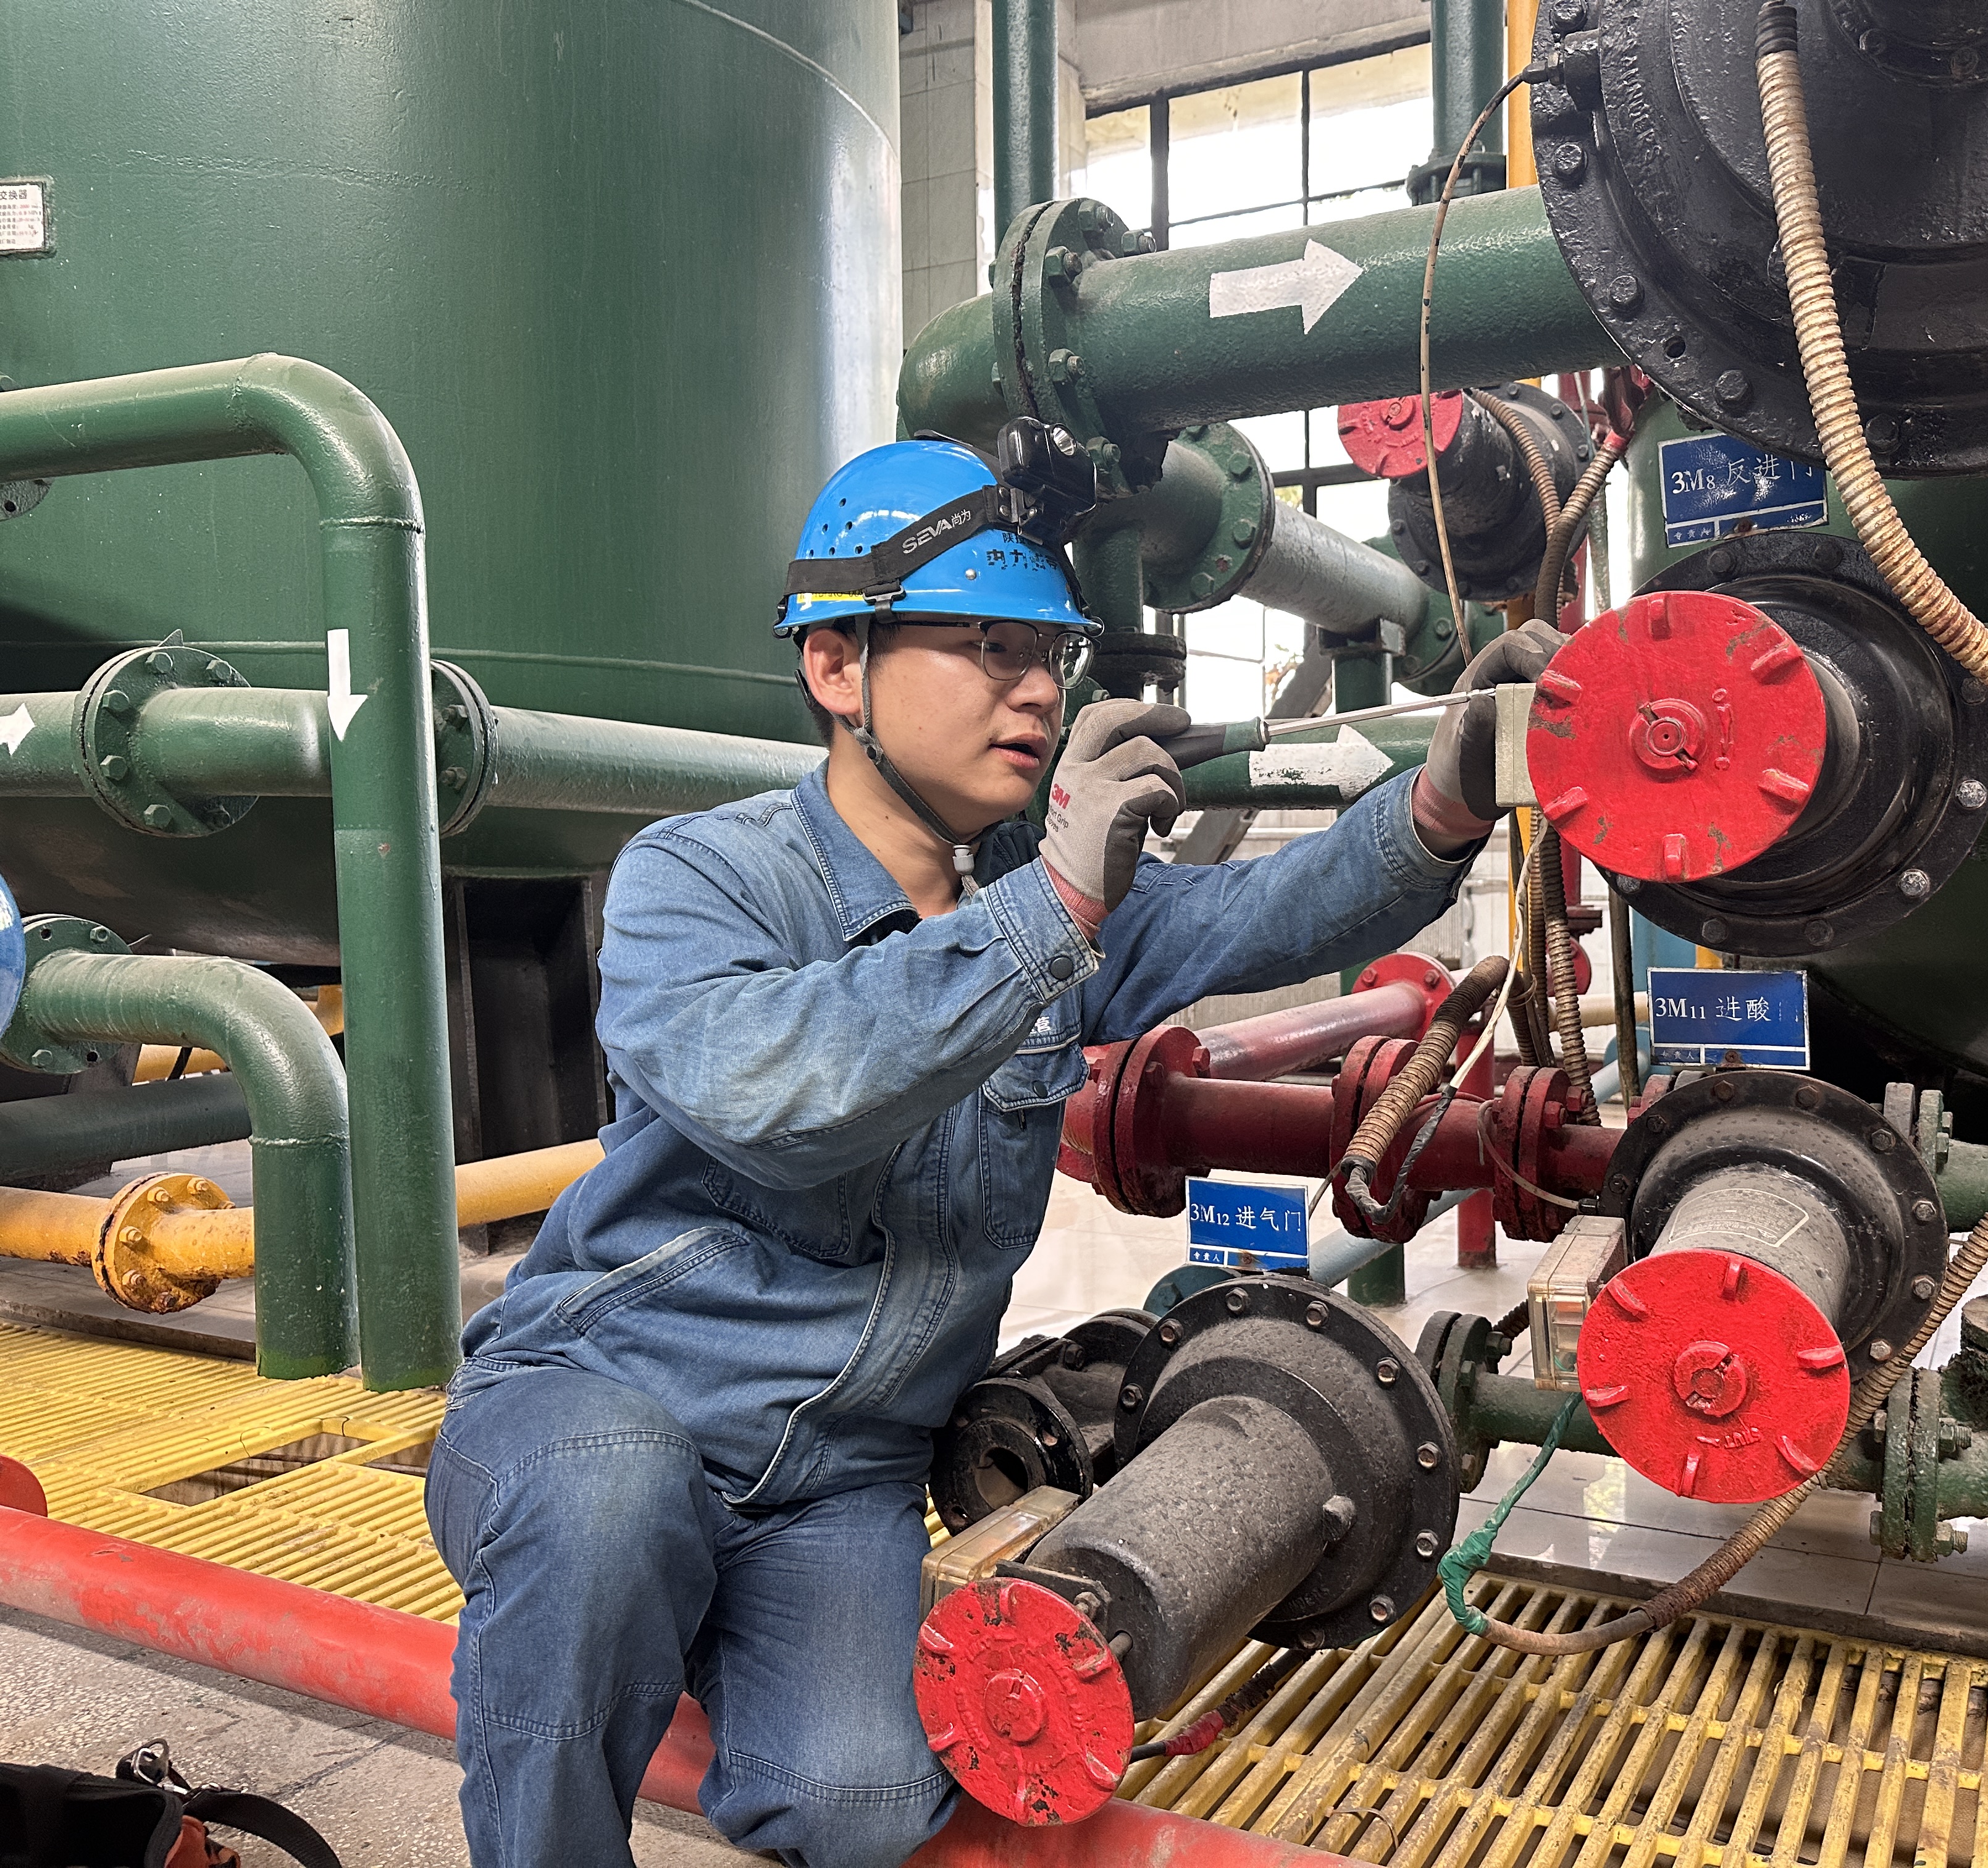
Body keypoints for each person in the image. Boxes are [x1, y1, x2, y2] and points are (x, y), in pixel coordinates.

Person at [426, 425, 1558, 1867]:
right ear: (836, 669)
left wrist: (1443, 802)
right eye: (982, 647)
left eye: (1048, 656)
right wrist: (1053, 913)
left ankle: (686, 1612)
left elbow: (1256, 917)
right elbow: (778, 1091)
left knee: (860, 1806)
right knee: (609, 1498)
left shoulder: (1047, 898)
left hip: (836, 1478)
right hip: (598, 1401)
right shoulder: (702, 876)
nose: (1034, 690)